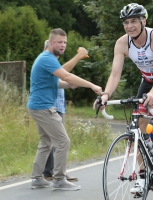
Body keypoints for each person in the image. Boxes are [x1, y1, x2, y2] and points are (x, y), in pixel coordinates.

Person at [95, 3, 153, 194]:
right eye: (126, 22)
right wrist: (105, 95)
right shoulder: (121, 43)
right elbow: (115, 74)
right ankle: (143, 176)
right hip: (147, 80)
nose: (130, 26)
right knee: (138, 124)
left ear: (143, 21)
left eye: (134, 21)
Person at [28, 28, 102, 191]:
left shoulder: (46, 58)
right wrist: (91, 85)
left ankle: (37, 178)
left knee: (46, 142)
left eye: (65, 43)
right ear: (51, 42)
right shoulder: (47, 58)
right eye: (60, 42)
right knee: (63, 141)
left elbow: (52, 82)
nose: (63, 45)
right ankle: (59, 179)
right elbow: (66, 75)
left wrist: (67, 85)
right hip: (43, 107)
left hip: (37, 105)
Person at [42, 40, 82, 182]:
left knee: (51, 142)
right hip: (51, 106)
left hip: (56, 106)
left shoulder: (51, 62)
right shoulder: (47, 61)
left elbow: (57, 81)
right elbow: (61, 75)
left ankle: (49, 172)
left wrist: (68, 85)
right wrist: (78, 56)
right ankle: (58, 174)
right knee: (61, 141)